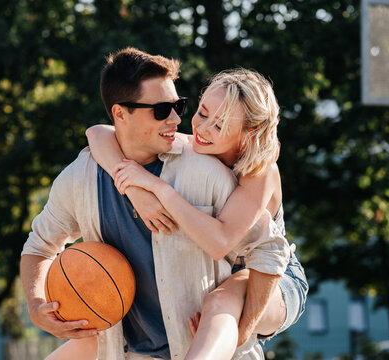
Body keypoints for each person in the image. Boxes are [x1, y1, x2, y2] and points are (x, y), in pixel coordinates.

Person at [21, 47, 291, 360]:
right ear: (120, 114)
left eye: (178, 105)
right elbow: (39, 246)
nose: (181, 120)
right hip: (122, 347)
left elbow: (268, 251)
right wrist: (37, 305)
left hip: (264, 285)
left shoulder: (226, 174)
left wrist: (243, 333)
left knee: (221, 304)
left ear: (247, 134)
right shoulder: (81, 177)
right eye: (162, 110)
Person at [84, 68, 308, 359]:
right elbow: (97, 133)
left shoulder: (260, 171)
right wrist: (135, 192)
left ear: (248, 133)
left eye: (219, 125)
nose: (202, 129)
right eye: (202, 113)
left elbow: (220, 243)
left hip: (272, 278)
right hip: (222, 274)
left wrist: (157, 188)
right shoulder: (199, 145)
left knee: (219, 303)